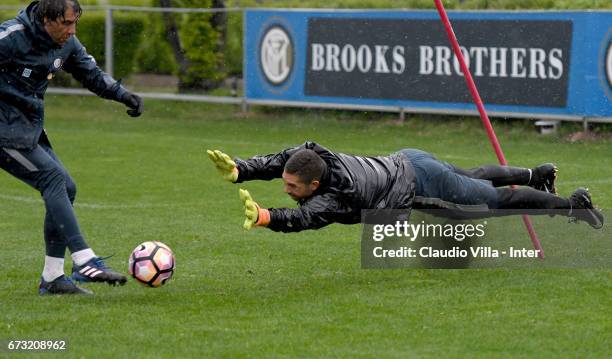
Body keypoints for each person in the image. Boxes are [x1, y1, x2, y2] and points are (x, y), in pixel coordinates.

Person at [0, 0, 143, 295]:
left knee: (66, 187)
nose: (72, 30)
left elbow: (92, 75)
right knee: (51, 178)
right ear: (45, 19)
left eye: (75, 22)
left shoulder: (67, 44)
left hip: (27, 127)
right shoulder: (11, 37)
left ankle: (52, 278)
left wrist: (123, 95)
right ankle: (83, 259)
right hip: (4, 131)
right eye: (66, 23)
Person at [207, 142, 604, 232]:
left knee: (489, 201)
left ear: (314, 183)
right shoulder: (312, 155)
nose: (286, 189)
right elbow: (282, 161)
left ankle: (572, 204)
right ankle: (538, 173)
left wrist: (266, 217)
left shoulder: (338, 193)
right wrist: (242, 170)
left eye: (293, 188)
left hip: (415, 183)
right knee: (469, 178)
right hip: (408, 158)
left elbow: (309, 218)